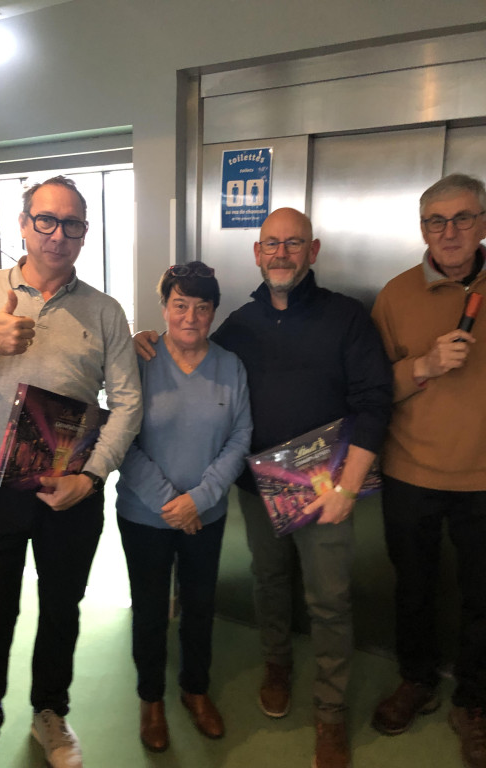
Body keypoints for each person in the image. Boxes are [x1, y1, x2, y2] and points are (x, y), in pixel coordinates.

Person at [135, 208, 393, 768]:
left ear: (312, 251)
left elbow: (376, 401)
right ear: (257, 253)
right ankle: (277, 667)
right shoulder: (240, 325)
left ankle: (330, 714)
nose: (281, 254)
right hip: (260, 490)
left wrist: (348, 487)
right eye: (272, 244)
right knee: (269, 584)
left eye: (293, 243)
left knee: (329, 601)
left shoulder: (346, 317)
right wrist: (144, 340)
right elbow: (193, 348)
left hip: (327, 487)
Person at [0, 176, 142, 768]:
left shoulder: (105, 310)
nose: (57, 234)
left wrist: (91, 478)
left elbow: (128, 403)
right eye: (45, 220)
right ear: (22, 224)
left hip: (68, 491)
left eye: (72, 224)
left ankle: (50, 712)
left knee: (62, 611)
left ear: (85, 233)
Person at [371, 173, 486, 768]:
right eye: (436, 221)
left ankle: (474, 701)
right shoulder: (395, 296)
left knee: (481, 598)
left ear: (482, 223)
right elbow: (372, 389)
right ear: (422, 230)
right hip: (410, 472)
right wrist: (425, 365)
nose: (450, 232)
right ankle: (416, 679)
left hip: (483, 480)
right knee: (412, 588)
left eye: (463, 217)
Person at [116, 263, 252, 752]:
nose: (190, 317)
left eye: (201, 307)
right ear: (164, 307)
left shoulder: (230, 366)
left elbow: (240, 438)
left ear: (214, 312)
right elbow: (121, 439)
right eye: (180, 305)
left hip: (205, 516)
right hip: (143, 516)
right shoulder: (140, 362)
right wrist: (168, 501)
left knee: (199, 608)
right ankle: (150, 699)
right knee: (150, 611)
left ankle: (195, 689)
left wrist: (199, 498)